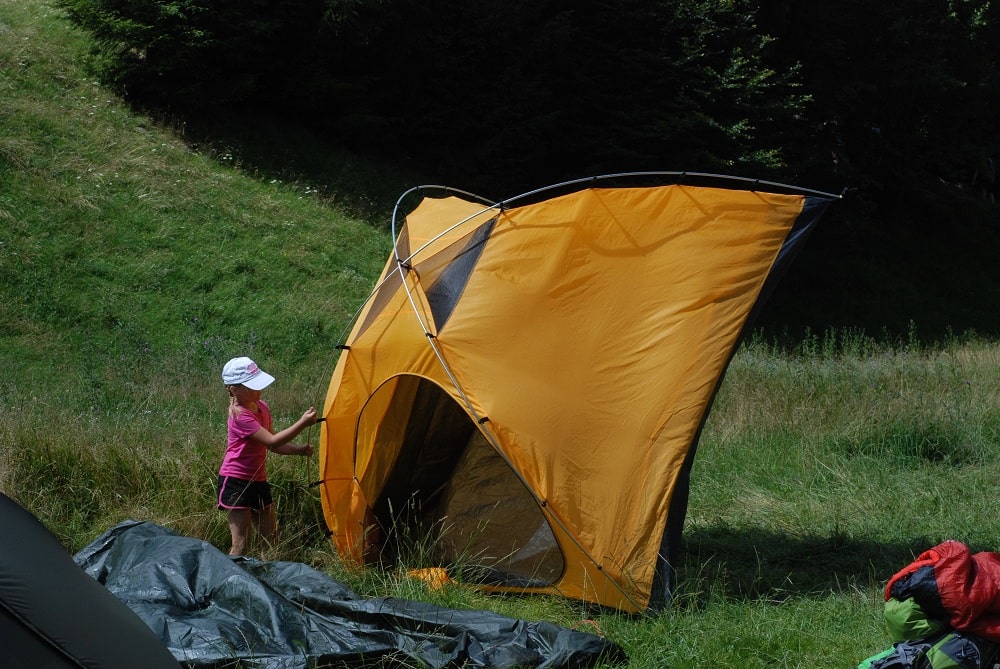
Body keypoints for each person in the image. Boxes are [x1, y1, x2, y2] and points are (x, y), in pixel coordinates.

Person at [217, 356, 317, 556]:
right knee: (241, 544)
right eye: (251, 386)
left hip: (258, 481)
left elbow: (273, 443)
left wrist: (298, 450)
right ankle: (230, 580)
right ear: (233, 389)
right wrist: (302, 423)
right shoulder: (239, 415)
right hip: (236, 482)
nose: (258, 390)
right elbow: (272, 441)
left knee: (271, 540)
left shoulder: (261, 407)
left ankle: (266, 579)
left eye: (258, 384)